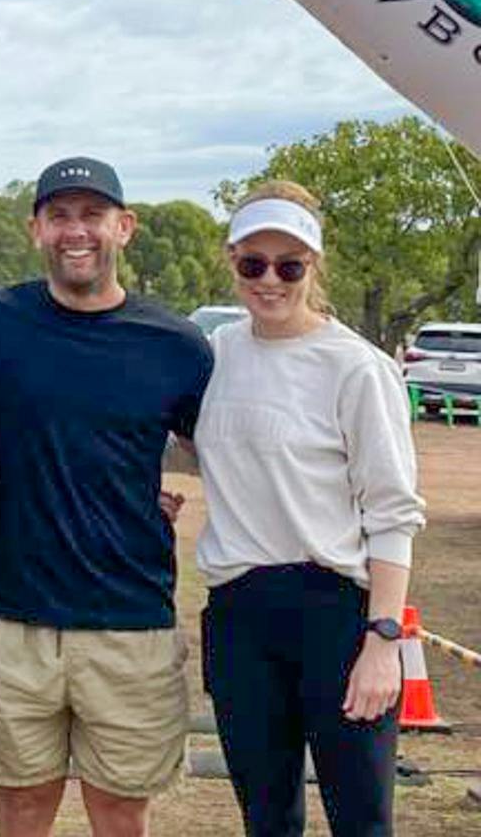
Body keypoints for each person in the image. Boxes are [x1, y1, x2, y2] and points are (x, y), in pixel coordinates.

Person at [0, 156, 213, 837]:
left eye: (93, 214)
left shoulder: (179, 345)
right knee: (23, 807)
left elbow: (215, 452)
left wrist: (134, 488)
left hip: (129, 622)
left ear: (124, 227)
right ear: (36, 227)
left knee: (121, 813)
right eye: (60, 214)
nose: (78, 230)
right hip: (14, 616)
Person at [189, 182, 424, 836]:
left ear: (313, 267)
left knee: (361, 819)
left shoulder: (357, 368)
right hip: (240, 614)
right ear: (231, 261)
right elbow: (200, 447)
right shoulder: (218, 354)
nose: (270, 281)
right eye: (252, 264)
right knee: (267, 817)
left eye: (289, 266)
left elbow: (392, 510)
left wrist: (383, 639)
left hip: (336, 615)